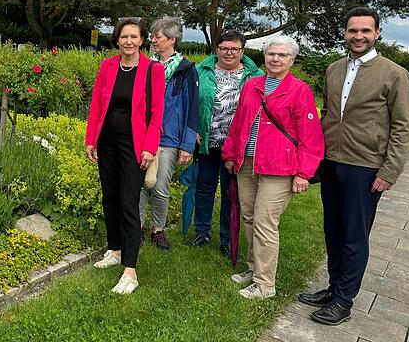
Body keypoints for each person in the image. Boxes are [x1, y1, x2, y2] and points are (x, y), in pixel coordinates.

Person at [299, 7, 409, 325]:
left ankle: (344, 301)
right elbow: (327, 116)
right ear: (345, 33)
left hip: (365, 167)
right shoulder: (333, 69)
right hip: (332, 163)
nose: (358, 36)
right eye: (353, 30)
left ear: (377, 33)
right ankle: (334, 288)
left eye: (365, 31)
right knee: (333, 230)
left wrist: (389, 171)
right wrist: (316, 158)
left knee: (354, 235)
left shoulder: (394, 74)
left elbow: (403, 127)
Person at [222, 35, 324, 299]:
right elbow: (239, 123)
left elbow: (310, 135)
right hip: (248, 163)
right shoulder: (252, 85)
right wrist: (231, 153)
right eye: (271, 54)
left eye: (282, 55)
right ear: (264, 57)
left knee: (265, 221)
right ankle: (254, 268)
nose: (275, 59)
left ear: (291, 60)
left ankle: (265, 285)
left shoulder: (299, 90)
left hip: (279, 166)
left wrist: (303, 173)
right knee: (249, 217)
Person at [85, 17, 166, 294]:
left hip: (135, 145)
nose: (128, 42)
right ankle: (115, 250)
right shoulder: (107, 66)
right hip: (106, 142)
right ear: (117, 40)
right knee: (110, 198)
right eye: (123, 37)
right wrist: (91, 140)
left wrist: (150, 147)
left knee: (129, 203)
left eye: (134, 37)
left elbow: (157, 114)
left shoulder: (152, 70)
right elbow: (97, 104)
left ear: (142, 40)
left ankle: (130, 272)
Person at [190, 30, 263, 256]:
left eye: (235, 49)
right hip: (207, 142)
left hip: (237, 146)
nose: (229, 53)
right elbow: (190, 102)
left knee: (232, 193)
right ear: (217, 49)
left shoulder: (256, 76)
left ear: (242, 50)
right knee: (204, 187)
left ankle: (227, 237)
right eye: (224, 48)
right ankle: (202, 232)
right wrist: (192, 129)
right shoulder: (201, 71)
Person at [138, 17, 198, 250]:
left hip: (169, 138)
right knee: (140, 186)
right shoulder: (145, 66)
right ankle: (137, 228)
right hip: (142, 136)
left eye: (157, 37)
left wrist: (187, 144)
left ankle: (158, 230)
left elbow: (191, 107)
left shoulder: (185, 70)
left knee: (160, 186)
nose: (153, 40)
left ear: (172, 40)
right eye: (152, 36)